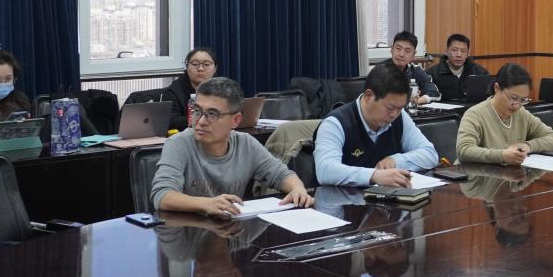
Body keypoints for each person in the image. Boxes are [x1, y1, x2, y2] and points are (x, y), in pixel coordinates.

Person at [151, 76, 313, 215]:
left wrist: (297, 189)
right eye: (197, 111)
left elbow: (280, 175)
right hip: (187, 232)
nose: (200, 121)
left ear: (235, 120)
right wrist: (206, 204)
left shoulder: (245, 144)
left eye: (212, 114)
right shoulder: (179, 144)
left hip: (230, 230)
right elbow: (162, 196)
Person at [312, 63, 439, 188]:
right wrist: (374, 176)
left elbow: (430, 154)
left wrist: (395, 160)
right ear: (369, 96)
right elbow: (325, 170)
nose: (394, 115)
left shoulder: (400, 117)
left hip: (385, 199)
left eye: (400, 108)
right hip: (339, 199)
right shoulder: (335, 123)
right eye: (389, 108)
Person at [456, 63, 553, 166]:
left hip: (509, 174)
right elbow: (464, 150)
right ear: (497, 88)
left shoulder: (521, 113)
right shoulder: (475, 115)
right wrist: (502, 156)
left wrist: (527, 145)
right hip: (476, 175)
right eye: (513, 98)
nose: (517, 105)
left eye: (523, 100)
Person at [377, 30, 440, 105]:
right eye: (398, 48)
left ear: (414, 54)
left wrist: (416, 101)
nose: (401, 54)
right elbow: (376, 98)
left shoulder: (415, 70)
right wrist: (405, 99)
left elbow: (436, 94)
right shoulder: (380, 71)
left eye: (407, 51)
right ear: (391, 50)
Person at [164, 47, 218, 132]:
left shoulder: (220, 88)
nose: (200, 68)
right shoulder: (173, 91)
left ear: (215, 68)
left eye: (206, 64)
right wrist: (202, 119)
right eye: (195, 64)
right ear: (187, 66)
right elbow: (170, 121)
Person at [425, 34, 489, 102]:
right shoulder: (432, 73)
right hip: (443, 108)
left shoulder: (480, 73)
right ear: (446, 51)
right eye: (454, 50)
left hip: (470, 108)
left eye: (463, 51)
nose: (459, 55)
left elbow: (487, 97)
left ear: (468, 54)